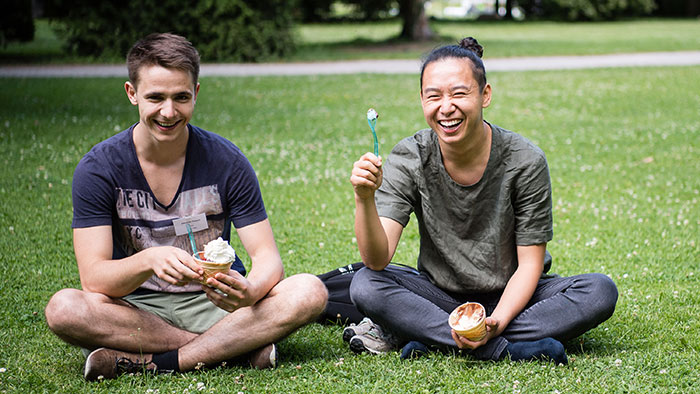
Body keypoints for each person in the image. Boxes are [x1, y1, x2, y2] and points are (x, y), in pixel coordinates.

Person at [44, 33, 328, 381]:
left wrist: (250, 291)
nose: (168, 111)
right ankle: (233, 349)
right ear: (132, 94)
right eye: (155, 98)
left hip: (215, 304)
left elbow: (268, 258)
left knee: (309, 291)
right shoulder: (98, 168)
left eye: (181, 97)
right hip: (136, 308)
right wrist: (149, 260)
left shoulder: (227, 161)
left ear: (196, 92)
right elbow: (94, 278)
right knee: (63, 309)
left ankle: (153, 362)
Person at [346, 37, 617, 363]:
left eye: (459, 93)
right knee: (365, 283)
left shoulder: (525, 160)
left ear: (484, 95)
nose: (446, 107)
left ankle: (434, 339)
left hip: (517, 297)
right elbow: (377, 260)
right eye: (434, 96)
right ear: (422, 100)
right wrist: (364, 199)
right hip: (440, 297)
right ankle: (505, 349)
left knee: (599, 291)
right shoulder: (410, 156)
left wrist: (496, 321)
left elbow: (530, 265)